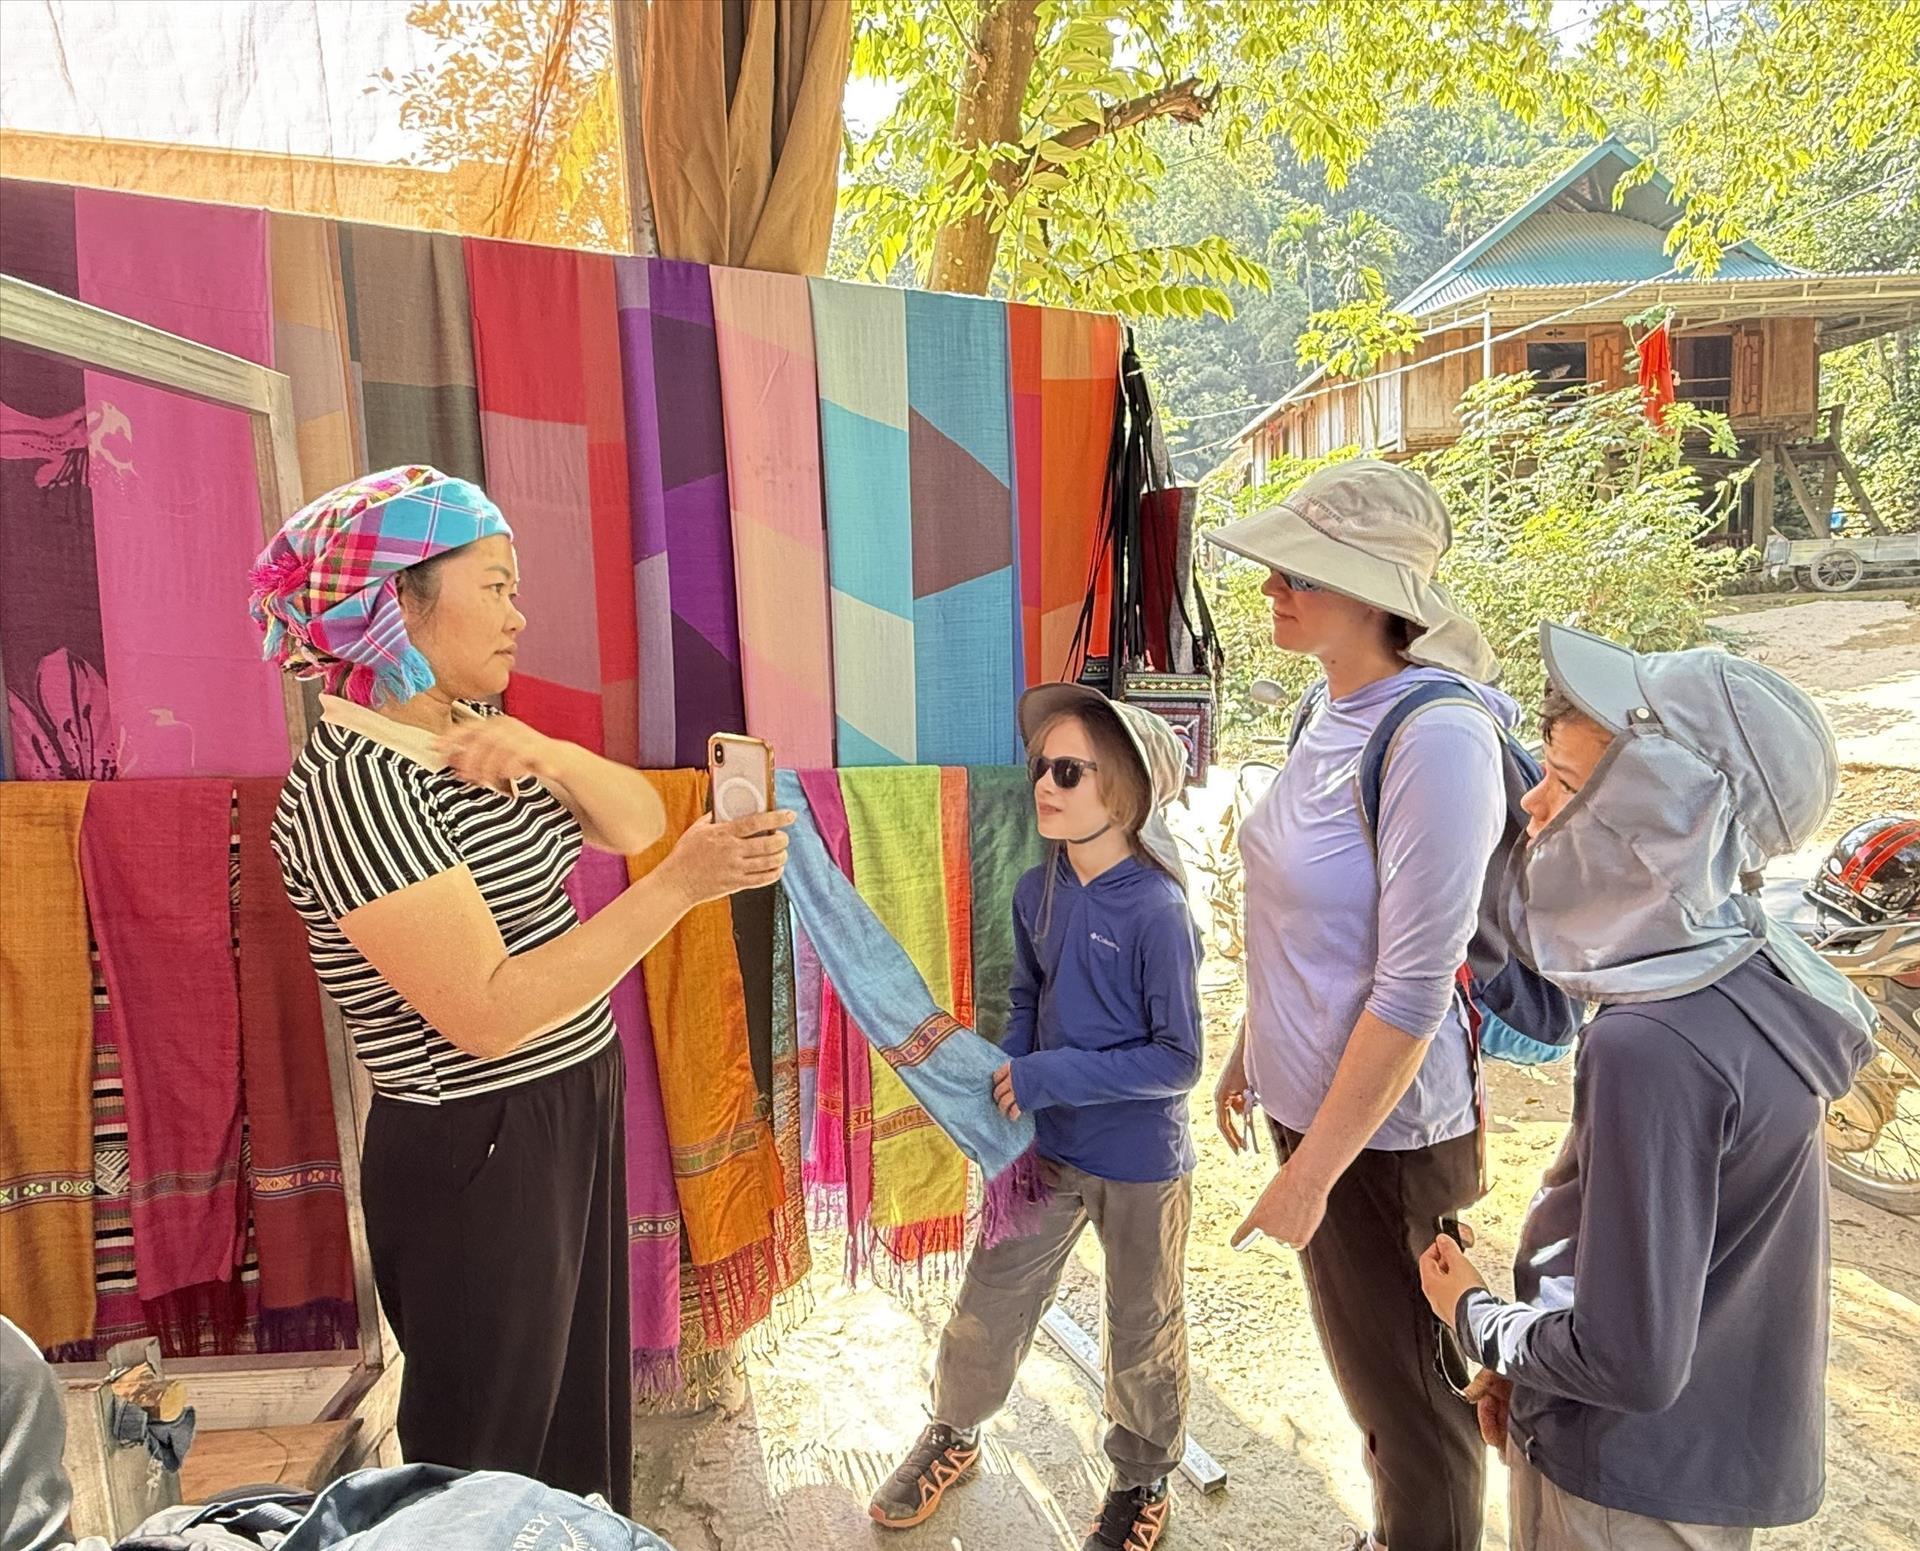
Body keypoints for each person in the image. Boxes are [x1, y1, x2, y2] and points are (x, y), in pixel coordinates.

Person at [250, 466, 791, 1513]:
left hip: (564, 1104)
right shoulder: (357, 787)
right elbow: (488, 1014)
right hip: (479, 1143)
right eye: (495, 586)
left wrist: (547, 750)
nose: (517, 615)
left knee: (576, 1427)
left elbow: (634, 821)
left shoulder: (475, 729)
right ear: (395, 602)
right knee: (488, 1461)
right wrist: (681, 886)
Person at [1418, 622, 1877, 1549]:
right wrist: (1538, 1369)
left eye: (1567, 783)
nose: (1532, 803)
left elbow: (1626, 1360)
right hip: (1699, 1457)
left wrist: (1475, 1315)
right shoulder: (1751, 970)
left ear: (1672, 819)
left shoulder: (1649, 1043)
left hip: (1623, 1483)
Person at [1204, 459, 1512, 1551]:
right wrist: (1251, 1045)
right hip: (1316, 1115)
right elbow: (1306, 919)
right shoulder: (1325, 707)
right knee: (1375, 1384)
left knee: (1417, 1409)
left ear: (1379, 592)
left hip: (1384, 1142)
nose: (1272, 586)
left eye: (1301, 571)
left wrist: (1311, 1175)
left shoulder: (1436, 738)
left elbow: (1414, 987)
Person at [867, 685, 1202, 1551]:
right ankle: (954, 1430)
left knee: (1142, 1326)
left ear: (1123, 790)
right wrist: (1012, 1072)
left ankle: (1141, 1478)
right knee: (990, 1295)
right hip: (1045, 1150)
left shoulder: (1158, 911)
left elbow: (1179, 1060)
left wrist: (1046, 1073)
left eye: (1068, 771)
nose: (1044, 786)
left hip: (1140, 1163)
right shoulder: (1037, 889)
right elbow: (1027, 998)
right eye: (1040, 768)